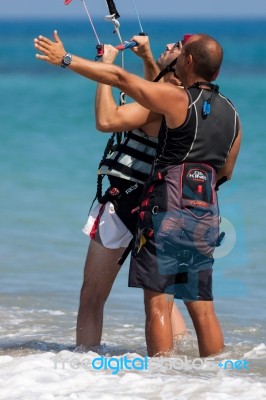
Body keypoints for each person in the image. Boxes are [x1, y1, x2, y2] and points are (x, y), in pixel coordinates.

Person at [34, 32, 241, 357]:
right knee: (203, 309)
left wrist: (66, 58)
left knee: (155, 304)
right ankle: (215, 381)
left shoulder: (177, 100)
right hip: (205, 213)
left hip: (163, 206)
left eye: (179, 48)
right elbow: (226, 170)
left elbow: (115, 89)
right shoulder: (233, 116)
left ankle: (159, 380)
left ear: (187, 61)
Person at [77, 36, 187, 349]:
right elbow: (156, 86)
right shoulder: (184, 101)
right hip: (158, 203)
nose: (168, 45)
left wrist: (105, 68)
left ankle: (82, 363)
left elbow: (105, 120)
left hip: (123, 201)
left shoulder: (161, 102)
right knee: (160, 299)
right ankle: (185, 368)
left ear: (185, 62)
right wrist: (150, 57)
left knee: (92, 295)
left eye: (176, 46)